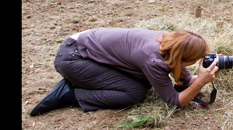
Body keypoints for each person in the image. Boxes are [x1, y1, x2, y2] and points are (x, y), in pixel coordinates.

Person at [29, 28, 220, 115]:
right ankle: (70, 93)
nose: (195, 63)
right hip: (73, 58)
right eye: (193, 61)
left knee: (144, 82)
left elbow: (185, 80)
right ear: (181, 57)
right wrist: (201, 82)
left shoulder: (170, 44)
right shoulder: (153, 59)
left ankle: (84, 80)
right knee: (134, 93)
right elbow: (175, 102)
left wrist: (202, 76)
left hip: (87, 53)